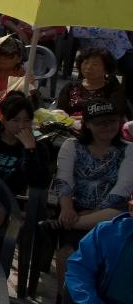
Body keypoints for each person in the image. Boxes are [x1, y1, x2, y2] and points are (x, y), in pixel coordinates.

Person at [45, 99, 133, 288]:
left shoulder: (129, 149)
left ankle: (60, 225)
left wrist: (91, 215)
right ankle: (64, 303)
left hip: (110, 212)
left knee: (118, 214)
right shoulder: (72, 145)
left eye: (112, 121)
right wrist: (67, 207)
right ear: (87, 125)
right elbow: (64, 179)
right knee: (67, 255)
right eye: (100, 123)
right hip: (77, 208)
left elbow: (123, 189)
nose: (107, 127)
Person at [0, 91, 49, 197]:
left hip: (7, 200)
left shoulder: (38, 148)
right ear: (3, 120)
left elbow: (36, 181)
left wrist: (30, 150)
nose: (21, 126)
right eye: (15, 120)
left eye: (27, 120)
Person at [55, 46, 128, 119]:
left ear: (106, 69)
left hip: (102, 128)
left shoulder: (114, 89)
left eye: (95, 64)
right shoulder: (70, 87)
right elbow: (60, 110)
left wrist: (82, 119)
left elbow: (117, 115)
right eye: (86, 63)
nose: (88, 67)